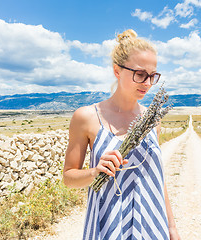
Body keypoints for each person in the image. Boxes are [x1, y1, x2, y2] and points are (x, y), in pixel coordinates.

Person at [63, 29, 180, 240]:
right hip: (108, 224)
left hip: (152, 225)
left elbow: (157, 177)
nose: (147, 83)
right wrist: (95, 172)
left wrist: (171, 226)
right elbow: (69, 177)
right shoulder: (86, 117)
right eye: (140, 74)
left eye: (153, 76)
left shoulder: (152, 120)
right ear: (117, 71)